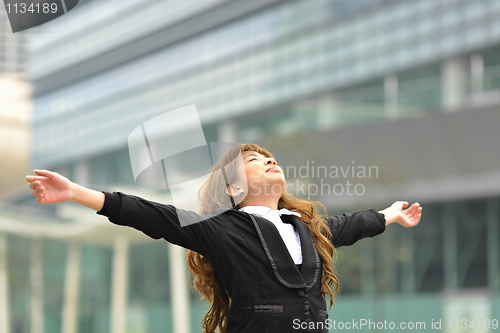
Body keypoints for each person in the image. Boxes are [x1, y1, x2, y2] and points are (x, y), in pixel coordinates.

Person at [26, 143, 421, 333]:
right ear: (232, 189)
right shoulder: (221, 229)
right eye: (254, 161)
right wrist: (77, 193)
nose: (269, 160)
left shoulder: (308, 228)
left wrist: (390, 215)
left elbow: (349, 226)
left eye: (271, 158)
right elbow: (154, 216)